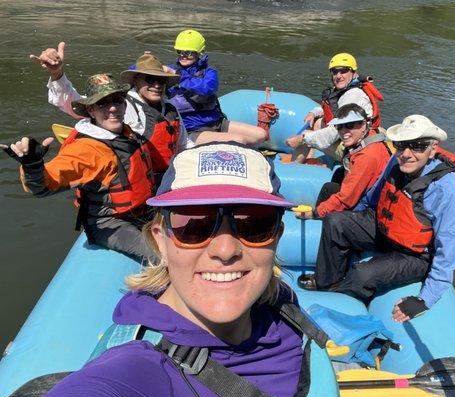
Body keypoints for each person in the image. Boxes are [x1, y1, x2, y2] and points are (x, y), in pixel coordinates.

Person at [40, 142, 336, 397]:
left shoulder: (279, 305)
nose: (225, 250)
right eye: (194, 225)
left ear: (277, 236)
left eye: (254, 224)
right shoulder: (135, 367)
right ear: (160, 241)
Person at [298, 115, 455, 322]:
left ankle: (338, 306)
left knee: (363, 275)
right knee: (336, 222)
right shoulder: (395, 162)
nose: (406, 154)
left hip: (415, 255)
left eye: (417, 146)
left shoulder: (450, 189)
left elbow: (449, 250)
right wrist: (352, 218)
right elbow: (372, 198)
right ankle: (327, 283)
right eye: (401, 145)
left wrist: (425, 299)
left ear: (433, 149)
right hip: (384, 229)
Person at [1, 74, 158, 260]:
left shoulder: (127, 132)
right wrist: (33, 165)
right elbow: (43, 187)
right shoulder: (86, 150)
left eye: (118, 100)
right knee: (163, 256)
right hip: (112, 223)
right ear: (91, 110)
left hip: (142, 211)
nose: (113, 108)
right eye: (103, 103)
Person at [31, 42, 187, 169]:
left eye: (161, 80)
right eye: (150, 80)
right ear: (136, 81)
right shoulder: (120, 104)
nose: (157, 85)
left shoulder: (171, 108)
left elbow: (184, 144)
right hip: (134, 179)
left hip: (166, 180)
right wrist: (57, 73)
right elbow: (73, 102)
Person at [164, 29, 271, 146]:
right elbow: (144, 71)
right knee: (238, 140)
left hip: (216, 122)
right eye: (180, 52)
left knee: (261, 135)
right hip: (190, 129)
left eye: (188, 52)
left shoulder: (209, 72)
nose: (183, 56)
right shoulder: (169, 71)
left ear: (199, 53)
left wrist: (179, 76)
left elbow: (207, 88)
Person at [294, 103, 391, 220]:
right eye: (339, 127)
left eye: (349, 125)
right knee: (329, 188)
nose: (344, 131)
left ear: (364, 124)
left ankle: (321, 226)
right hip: (361, 198)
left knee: (332, 219)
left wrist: (315, 213)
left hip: (368, 213)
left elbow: (346, 200)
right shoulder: (368, 138)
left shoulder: (367, 156)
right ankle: (320, 223)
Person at [285, 53, 384, 163]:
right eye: (335, 72)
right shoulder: (347, 89)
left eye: (343, 71)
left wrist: (302, 139)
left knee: (307, 135)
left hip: (356, 148)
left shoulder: (354, 95)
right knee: (316, 123)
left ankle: (294, 166)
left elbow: (334, 131)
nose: (338, 75)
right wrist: (314, 112)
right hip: (354, 137)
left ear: (353, 73)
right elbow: (334, 109)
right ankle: (306, 159)